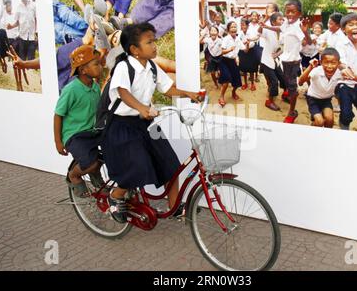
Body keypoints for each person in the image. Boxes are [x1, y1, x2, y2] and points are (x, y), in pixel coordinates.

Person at [101, 23, 200, 222]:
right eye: (149, 42)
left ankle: (174, 208)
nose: (154, 46)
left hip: (144, 124)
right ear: (134, 50)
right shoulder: (124, 66)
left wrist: (188, 93)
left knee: (171, 163)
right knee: (138, 166)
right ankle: (115, 196)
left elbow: (167, 88)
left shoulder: (151, 67)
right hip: (122, 126)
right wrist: (141, 108)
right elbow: (123, 92)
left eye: (154, 41)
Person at [54, 45, 104, 197]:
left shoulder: (95, 87)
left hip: (92, 131)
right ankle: (74, 176)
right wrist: (58, 141)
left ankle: (94, 173)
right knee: (92, 162)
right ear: (83, 70)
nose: (100, 66)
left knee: (111, 152)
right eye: (96, 64)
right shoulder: (71, 89)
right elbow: (58, 115)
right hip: (75, 135)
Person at [280, 0, 312, 123]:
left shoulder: (298, 26)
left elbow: (307, 42)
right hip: (285, 60)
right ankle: (291, 93)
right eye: (287, 11)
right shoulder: (287, 24)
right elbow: (280, 29)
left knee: (292, 88)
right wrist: (266, 26)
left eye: (293, 12)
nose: (290, 14)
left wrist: (305, 32)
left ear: (299, 13)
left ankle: (292, 112)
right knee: (288, 84)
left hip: (293, 62)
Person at [298, 48, 343, 128]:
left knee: (330, 120)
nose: (329, 66)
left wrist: (345, 68)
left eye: (333, 63)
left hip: (326, 100)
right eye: (326, 62)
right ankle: (313, 127)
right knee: (319, 122)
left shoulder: (339, 73)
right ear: (321, 63)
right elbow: (300, 82)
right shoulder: (316, 71)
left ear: (338, 63)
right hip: (313, 99)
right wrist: (310, 67)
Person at [258, 12, 286, 111]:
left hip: (275, 60)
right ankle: (269, 101)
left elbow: (283, 48)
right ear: (273, 22)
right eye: (280, 19)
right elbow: (260, 32)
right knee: (274, 82)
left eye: (283, 19)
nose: (282, 21)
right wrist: (262, 23)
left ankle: (285, 95)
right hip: (266, 60)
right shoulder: (268, 31)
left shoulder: (283, 33)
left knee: (283, 78)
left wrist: (277, 54)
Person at [217, 21, 245, 107]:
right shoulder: (226, 39)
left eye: (235, 27)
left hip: (233, 61)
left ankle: (233, 92)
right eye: (232, 27)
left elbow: (244, 49)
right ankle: (221, 97)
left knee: (237, 81)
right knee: (226, 79)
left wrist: (247, 44)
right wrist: (230, 49)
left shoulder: (237, 39)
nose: (234, 28)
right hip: (224, 61)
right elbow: (222, 52)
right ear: (228, 30)